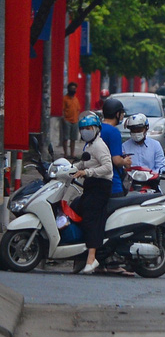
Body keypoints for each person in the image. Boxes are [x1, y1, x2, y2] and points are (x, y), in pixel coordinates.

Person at [72, 113, 114, 274]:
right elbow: (84, 162)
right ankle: (79, 255)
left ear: (96, 129)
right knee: (75, 207)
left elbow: (108, 167)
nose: (86, 131)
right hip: (91, 187)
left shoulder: (99, 146)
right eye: (83, 129)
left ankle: (91, 258)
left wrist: (87, 172)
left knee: (91, 217)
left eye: (89, 128)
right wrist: (69, 168)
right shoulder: (89, 146)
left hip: (100, 187)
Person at [100, 98, 129, 198]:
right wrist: (125, 161)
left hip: (96, 183)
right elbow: (116, 160)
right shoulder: (113, 132)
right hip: (113, 184)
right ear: (117, 114)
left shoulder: (97, 128)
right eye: (121, 113)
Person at [121, 114, 165, 178]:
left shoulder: (155, 145)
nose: (136, 133)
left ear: (146, 129)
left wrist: (155, 174)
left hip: (152, 181)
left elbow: (160, 166)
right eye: (133, 131)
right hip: (131, 182)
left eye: (139, 130)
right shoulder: (124, 147)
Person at [61, 82, 83, 158]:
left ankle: (72, 153)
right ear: (68, 89)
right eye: (72, 88)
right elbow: (62, 110)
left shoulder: (76, 99)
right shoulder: (65, 99)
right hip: (67, 120)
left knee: (73, 138)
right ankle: (65, 153)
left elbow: (78, 110)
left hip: (75, 121)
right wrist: (64, 119)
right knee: (65, 138)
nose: (73, 90)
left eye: (74, 89)